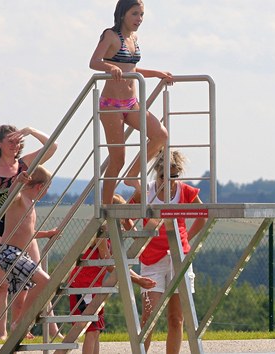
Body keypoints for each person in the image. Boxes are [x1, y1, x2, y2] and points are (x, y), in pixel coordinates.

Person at [0, 125, 58, 340]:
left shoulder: (25, 164)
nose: (15, 145)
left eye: (18, 141)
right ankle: (2, 331)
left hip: (22, 227)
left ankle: (48, 327)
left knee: (34, 277)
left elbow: (52, 147)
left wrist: (30, 130)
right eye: (10, 141)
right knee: (1, 282)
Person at [89, 0, 171, 205]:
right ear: (123, 14)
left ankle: (133, 174)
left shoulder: (134, 37)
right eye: (135, 14)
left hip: (131, 103)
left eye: (141, 14)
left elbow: (131, 69)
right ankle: (107, 208)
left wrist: (157, 73)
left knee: (160, 134)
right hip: (111, 105)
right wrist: (109, 68)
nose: (139, 19)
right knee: (117, 159)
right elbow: (94, 62)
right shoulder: (111, 35)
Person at [132, 150, 206, 354]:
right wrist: (139, 234)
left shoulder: (185, 191)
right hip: (152, 259)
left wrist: (185, 240)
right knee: (150, 317)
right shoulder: (146, 191)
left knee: (176, 318)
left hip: (178, 256)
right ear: (157, 172)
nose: (170, 181)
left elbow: (202, 215)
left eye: (175, 176)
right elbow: (125, 213)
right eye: (165, 176)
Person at [68, 194, 156, 354]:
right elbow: (108, 263)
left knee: (96, 330)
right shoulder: (101, 232)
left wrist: (138, 278)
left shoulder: (111, 234)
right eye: (121, 216)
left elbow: (117, 262)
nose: (124, 221)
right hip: (82, 286)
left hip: (94, 287)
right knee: (91, 329)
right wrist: (136, 280)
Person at [0, 166, 59, 338]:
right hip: (9, 253)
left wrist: (47, 234)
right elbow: (11, 195)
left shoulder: (31, 205)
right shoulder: (20, 198)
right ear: (40, 187)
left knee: (20, 298)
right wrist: (18, 181)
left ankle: (18, 332)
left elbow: (28, 232)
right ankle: (20, 323)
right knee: (45, 281)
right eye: (47, 189)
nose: (46, 193)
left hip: (20, 254)